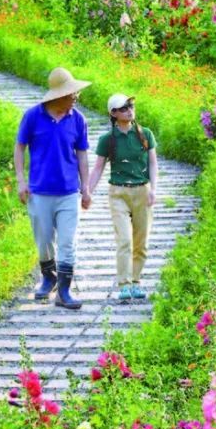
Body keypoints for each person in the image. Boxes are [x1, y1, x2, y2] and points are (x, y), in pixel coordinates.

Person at [14, 67, 93, 310]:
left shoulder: (78, 120)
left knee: (68, 242)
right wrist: (20, 181)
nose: (75, 99)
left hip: (69, 192)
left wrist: (86, 188)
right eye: (72, 95)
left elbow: (82, 156)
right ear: (59, 96)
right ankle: (48, 277)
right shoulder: (32, 116)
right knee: (44, 240)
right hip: (39, 192)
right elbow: (19, 148)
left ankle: (65, 291)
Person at [87, 93, 157, 303]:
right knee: (124, 240)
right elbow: (98, 167)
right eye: (124, 107)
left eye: (131, 105)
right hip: (118, 192)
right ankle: (124, 284)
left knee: (141, 242)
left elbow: (153, 163)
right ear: (114, 113)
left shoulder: (145, 134)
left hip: (142, 191)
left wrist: (154, 188)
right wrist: (87, 192)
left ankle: (136, 282)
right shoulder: (107, 140)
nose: (129, 110)